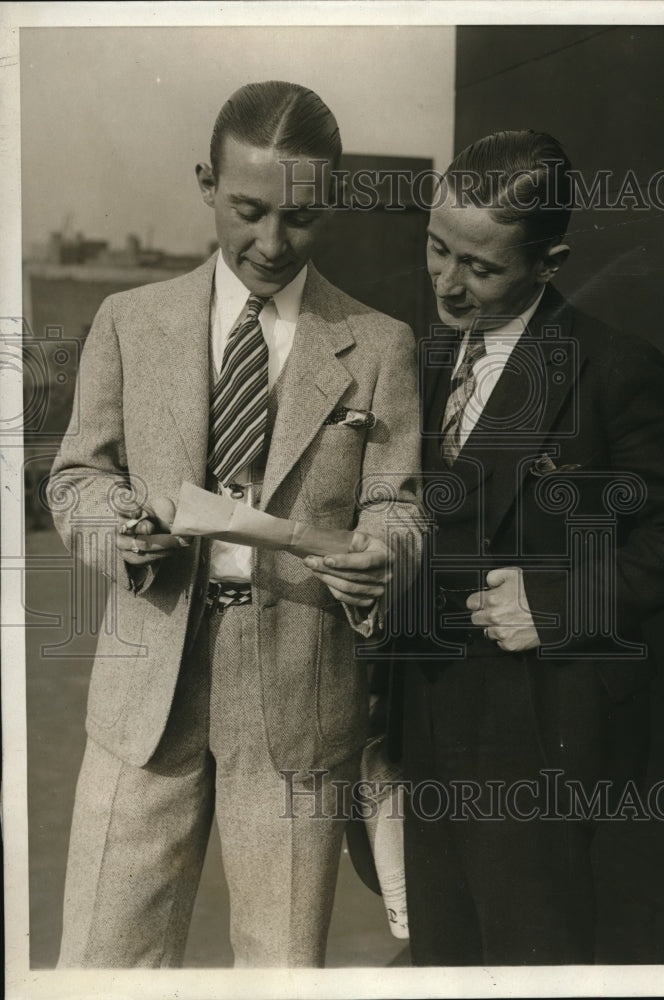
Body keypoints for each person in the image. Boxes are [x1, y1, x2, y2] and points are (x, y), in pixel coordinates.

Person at [47, 80, 421, 968]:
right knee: (103, 961)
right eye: (248, 210)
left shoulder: (378, 344)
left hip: (299, 697)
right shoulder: (128, 322)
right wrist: (122, 532)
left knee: (280, 966)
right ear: (206, 183)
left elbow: (397, 506)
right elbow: (75, 479)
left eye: (300, 220)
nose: (271, 243)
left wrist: (386, 551)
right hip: (144, 698)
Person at [395, 130, 664, 965]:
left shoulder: (616, 368)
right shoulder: (426, 357)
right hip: (427, 717)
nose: (449, 283)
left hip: (544, 732)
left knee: (532, 957)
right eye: (438, 250)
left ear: (551, 261)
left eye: (481, 268)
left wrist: (556, 601)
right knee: (444, 957)